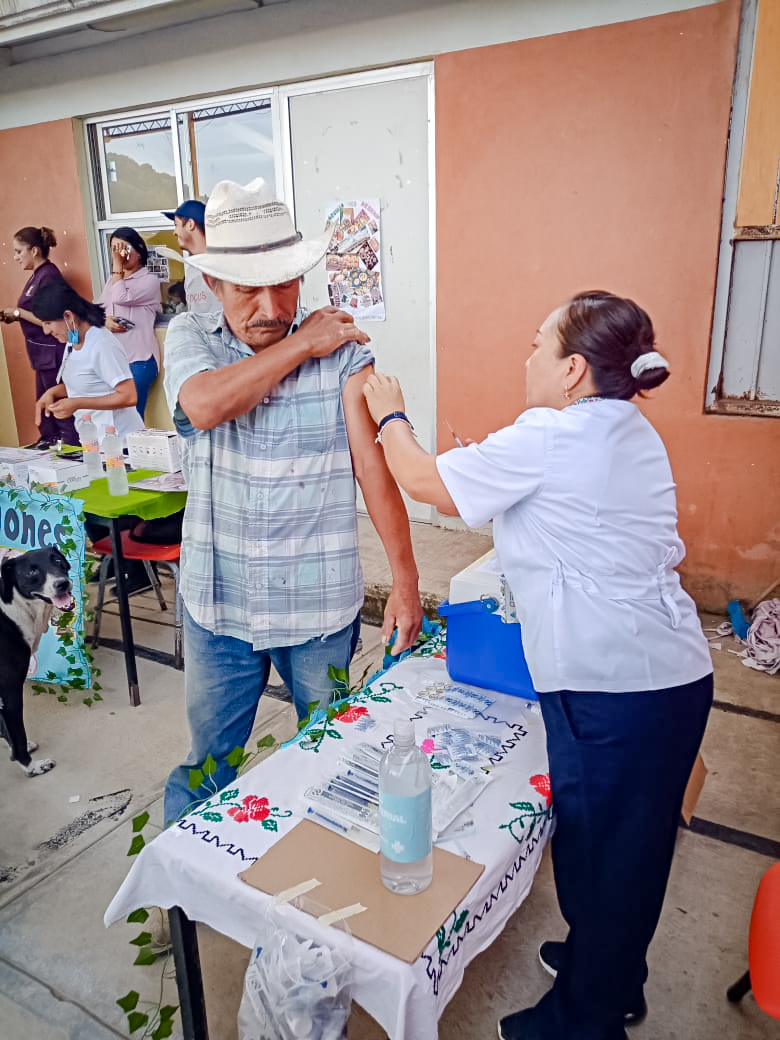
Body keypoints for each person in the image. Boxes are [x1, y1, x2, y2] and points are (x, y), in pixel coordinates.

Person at [362, 291, 714, 1040]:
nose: (526, 359)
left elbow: (423, 482)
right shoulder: (627, 429)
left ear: (573, 371)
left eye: (536, 346)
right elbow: (547, 507)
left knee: (602, 855)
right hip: (667, 677)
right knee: (633, 848)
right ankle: (610, 974)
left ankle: (584, 1021)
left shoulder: (551, 437)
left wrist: (391, 413)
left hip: (617, 688)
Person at [162, 178, 422, 825]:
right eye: (248, 287)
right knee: (208, 764)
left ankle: (310, 890)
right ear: (215, 285)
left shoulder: (347, 355)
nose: (270, 304)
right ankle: (183, 908)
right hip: (218, 605)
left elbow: (373, 467)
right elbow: (204, 404)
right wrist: (301, 344)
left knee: (332, 755)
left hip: (317, 607)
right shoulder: (190, 337)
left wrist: (406, 580)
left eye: (283, 283)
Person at [29, 281, 144, 445]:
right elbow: (88, 382)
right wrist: (53, 392)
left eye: (48, 323)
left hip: (121, 443)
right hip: (94, 441)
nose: (46, 331)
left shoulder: (102, 344)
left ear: (68, 316)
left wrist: (77, 403)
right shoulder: (73, 339)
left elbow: (128, 396)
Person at [1, 226, 78, 447]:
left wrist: (19, 313)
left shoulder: (50, 275)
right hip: (39, 352)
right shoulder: (37, 275)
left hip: (52, 352)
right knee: (44, 402)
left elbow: (54, 318)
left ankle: (70, 446)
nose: (15, 257)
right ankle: (49, 440)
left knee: (58, 402)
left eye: (18, 251)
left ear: (34, 250)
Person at [99, 227, 161, 419]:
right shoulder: (112, 280)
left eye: (124, 248)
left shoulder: (150, 280)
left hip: (139, 361)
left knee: (131, 418)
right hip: (116, 361)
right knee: (114, 419)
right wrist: (104, 321)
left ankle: (131, 450)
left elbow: (120, 297)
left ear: (139, 249)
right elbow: (100, 310)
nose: (121, 255)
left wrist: (117, 264)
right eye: (115, 250)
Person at [162, 200, 219, 313]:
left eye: (176, 225)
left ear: (190, 224)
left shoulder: (220, 265)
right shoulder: (191, 268)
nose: (174, 232)